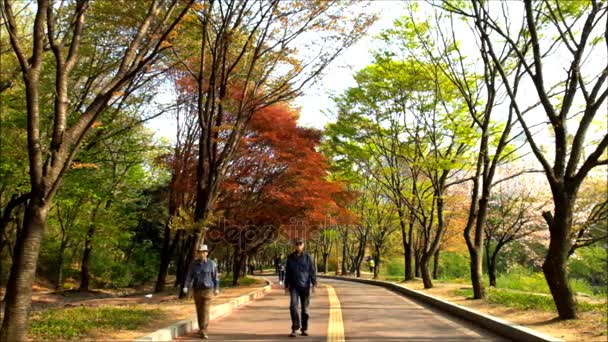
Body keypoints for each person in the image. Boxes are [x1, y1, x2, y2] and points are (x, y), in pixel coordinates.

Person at [183, 244, 220, 340]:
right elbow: (189, 276)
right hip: (197, 290)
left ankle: (204, 329)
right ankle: (201, 328)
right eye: (199, 252)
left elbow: (215, 277)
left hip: (208, 290)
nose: (201, 254)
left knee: (206, 310)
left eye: (203, 252)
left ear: (207, 253)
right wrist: (186, 286)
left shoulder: (212, 264)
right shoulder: (193, 264)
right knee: (199, 310)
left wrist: (216, 288)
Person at [284, 238, 317, 337]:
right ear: (294, 246)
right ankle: (295, 328)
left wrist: (314, 284)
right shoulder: (290, 257)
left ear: (303, 245)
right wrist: (286, 286)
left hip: (305, 286)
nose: (298, 245)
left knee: (305, 309)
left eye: (300, 244)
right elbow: (288, 273)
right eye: (296, 244)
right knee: (293, 307)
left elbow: (312, 271)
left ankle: (304, 329)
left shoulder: (308, 257)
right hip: (294, 286)